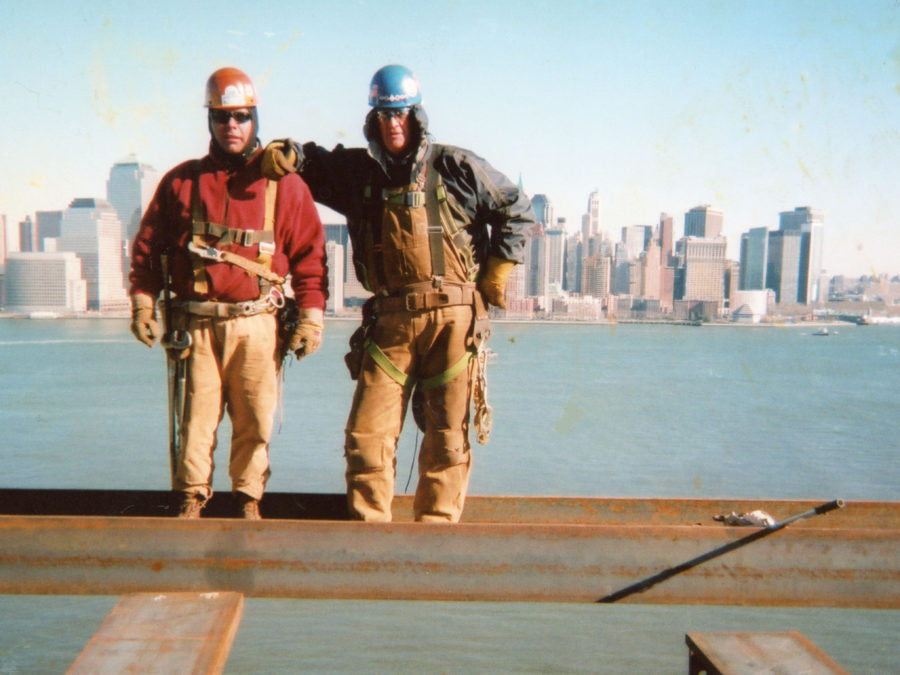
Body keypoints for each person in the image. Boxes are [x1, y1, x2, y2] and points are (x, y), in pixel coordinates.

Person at [262, 64, 534, 522]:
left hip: (453, 322)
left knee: (447, 439)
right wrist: (286, 152)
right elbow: (310, 162)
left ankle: (436, 538)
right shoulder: (359, 174)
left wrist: (496, 273)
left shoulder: (456, 166)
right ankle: (371, 540)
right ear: (373, 120)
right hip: (389, 325)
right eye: (385, 115)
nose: (393, 124)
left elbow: (516, 208)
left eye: (401, 113)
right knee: (366, 439)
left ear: (417, 116)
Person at [129, 67, 328, 519]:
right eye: (221, 118)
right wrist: (143, 301)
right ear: (210, 122)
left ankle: (248, 501)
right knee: (195, 422)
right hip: (194, 325)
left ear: (255, 118)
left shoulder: (285, 186)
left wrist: (313, 318)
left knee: (256, 421)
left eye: (240, 117)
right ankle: (190, 500)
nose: (231, 126)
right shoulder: (182, 182)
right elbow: (147, 248)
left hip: (257, 324)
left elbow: (311, 259)